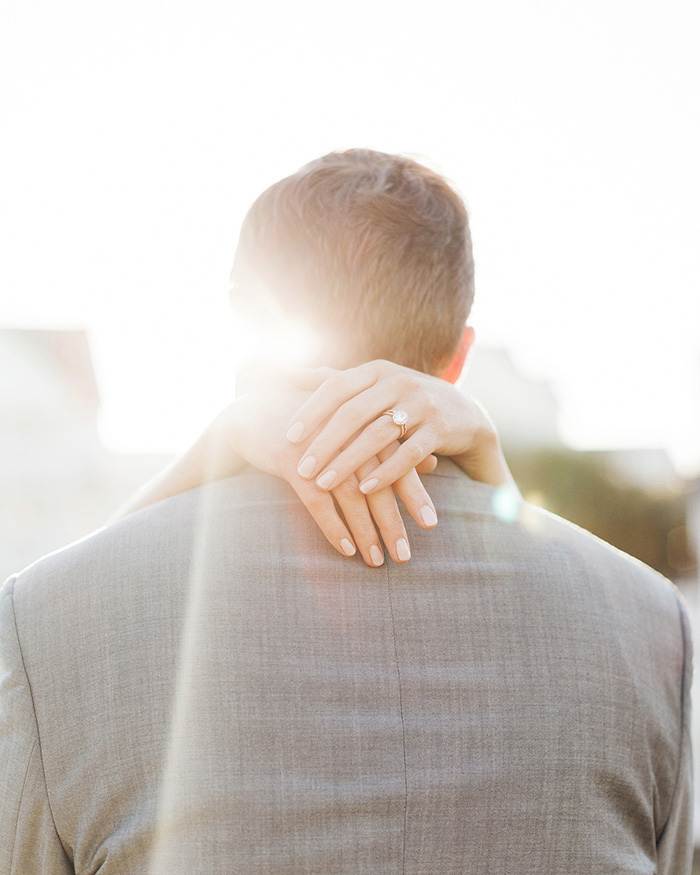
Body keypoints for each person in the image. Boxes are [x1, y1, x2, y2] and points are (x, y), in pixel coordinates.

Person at [0, 149, 692, 873]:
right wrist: (497, 490)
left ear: (246, 321)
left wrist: (210, 450)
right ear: (457, 356)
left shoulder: (47, 617)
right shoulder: (653, 625)